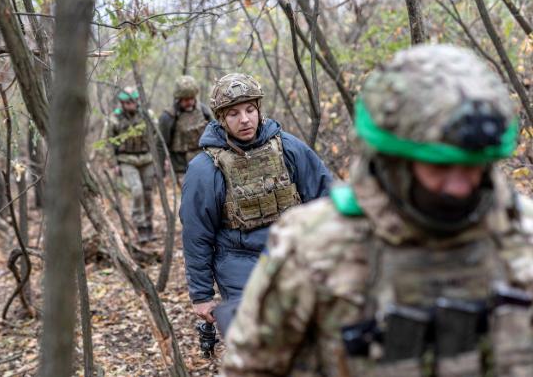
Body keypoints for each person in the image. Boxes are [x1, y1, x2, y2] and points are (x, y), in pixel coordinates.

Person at [223, 44, 533, 376]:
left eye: (473, 167)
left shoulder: (522, 234)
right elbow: (252, 367)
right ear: (392, 162)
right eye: (439, 168)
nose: (459, 186)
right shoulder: (314, 246)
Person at [180, 73, 333, 329]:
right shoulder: (204, 169)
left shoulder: (290, 148)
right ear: (221, 118)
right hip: (238, 262)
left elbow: (324, 197)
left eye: (250, 110)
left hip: (293, 255)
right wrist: (202, 294)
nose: (244, 119)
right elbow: (196, 233)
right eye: (233, 114)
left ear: (259, 110)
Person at [108, 86, 155, 243]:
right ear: (122, 103)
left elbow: (157, 138)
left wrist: (161, 160)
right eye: (127, 102)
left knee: (148, 193)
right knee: (137, 191)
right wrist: (114, 163)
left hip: (147, 158)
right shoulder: (114, 119)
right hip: (126, 160)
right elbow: (108, 143)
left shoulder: (147, 115)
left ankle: (149, 224)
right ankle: (140, 226)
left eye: (132, 102)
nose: (130, 105)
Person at [157, 75, 212, 184]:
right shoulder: (168, 117)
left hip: (205, 163)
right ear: (178, 98)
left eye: (192, 98)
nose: (190, 102)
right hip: (182, 168)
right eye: (186, 99)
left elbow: (215, 134)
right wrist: (160, 170)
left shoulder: (203, 111)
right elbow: (161, 145)